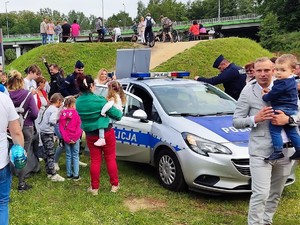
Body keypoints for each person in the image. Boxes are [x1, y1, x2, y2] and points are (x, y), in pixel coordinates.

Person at [233, 57, 296, 225]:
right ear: (253, 71)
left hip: (287, 151)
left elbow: (298, 113)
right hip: (261, 151)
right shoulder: (248, 91)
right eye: (258, 70)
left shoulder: (286, 84)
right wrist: (255, 118)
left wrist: (288, 120)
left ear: (273, 70)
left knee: (276, 193)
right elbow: (236, 121)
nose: (263, 74)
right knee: (261, 193)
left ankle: (266, 221)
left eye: (267, 70)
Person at [76, 75, 123, 195]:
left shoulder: (78, 102)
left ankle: (94, 188)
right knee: (110, 158)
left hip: (91, 135)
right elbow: (118, 115)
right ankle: (114, 185)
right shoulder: (99, 100)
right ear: (91, 85)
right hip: (106, 133)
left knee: (95, 160)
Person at [262, 54, 300, 160]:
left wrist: (265, 96)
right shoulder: (292, 81)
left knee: (274, 130)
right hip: (292, 109)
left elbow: (272, 95)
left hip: (281, 108)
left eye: (283, 70)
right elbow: (280, 93)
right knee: (292, 131)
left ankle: (278, 151)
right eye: (277, 69)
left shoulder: (281, 83)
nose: (278, 73)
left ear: (292, 71)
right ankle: (298, 149)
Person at [7, 70, 40, 191]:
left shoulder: (6, 96)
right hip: (26, 127)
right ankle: (21, 183)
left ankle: (7, 180)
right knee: (22, 154)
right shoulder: (27, 94)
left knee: (6, 154)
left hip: (8, 128)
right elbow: (35, 113)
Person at [0, 91, 24, 225]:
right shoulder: (4, 99)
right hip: (1, 162)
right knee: (2, 204)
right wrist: (20, 154)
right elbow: (16, 132)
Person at [39, 93, 65, 182]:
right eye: (61, 103)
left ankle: (49, 172)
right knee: (50, 154)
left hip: (42, 132)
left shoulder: (49, 107)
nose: (61, 105)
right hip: (48, 133)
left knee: (46, 153)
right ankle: (53, 174)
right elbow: (52, 121)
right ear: (58, 101)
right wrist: (58, 120)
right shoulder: (54, 110)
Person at [95, 80, 126, 146]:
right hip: (118, 114)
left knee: (101, 121)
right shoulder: (118, 96)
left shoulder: (113, 97)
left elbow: (108, 105)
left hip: (115, 115)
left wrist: (102, 112)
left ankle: (101, 138)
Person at [59, 96, 82, 181]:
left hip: (66, 138)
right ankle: (76, 175)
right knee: (75, 155)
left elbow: (61, 128)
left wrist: (66, 138)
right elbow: (79, 126)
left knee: (68, 155)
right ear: (72, 105)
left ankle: (69, 174)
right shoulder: (76, 114)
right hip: (75, 138)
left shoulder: (62, 114)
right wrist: (75, 138)